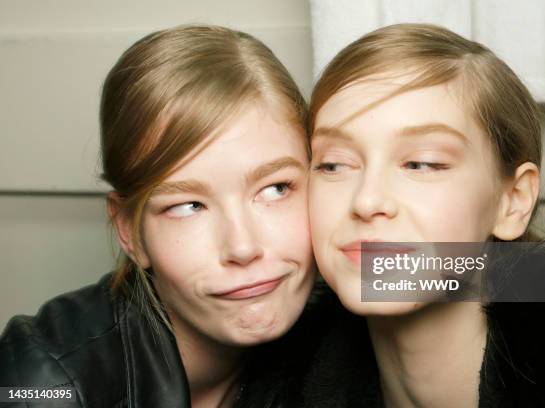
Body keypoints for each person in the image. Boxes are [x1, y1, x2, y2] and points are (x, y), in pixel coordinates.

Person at [0, 25, 316, 407]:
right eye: (188, 206)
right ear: (129, 232)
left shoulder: (344, 285)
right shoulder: (43, 381)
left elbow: (407, 273)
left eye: (275, 189)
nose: (243, 247)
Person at [306, 24, 545, 407]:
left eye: (422, 163)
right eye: (333, 165)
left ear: (513, 201)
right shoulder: (268, 377)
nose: (366, 202)